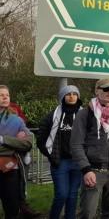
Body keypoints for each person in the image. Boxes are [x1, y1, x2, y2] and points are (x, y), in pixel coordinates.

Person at [70, 79, 109, 219]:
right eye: (106, 89)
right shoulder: (85, 114)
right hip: (94, 172)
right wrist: (86, 170)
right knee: (87, 213)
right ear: (97, 91)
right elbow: (76, 144)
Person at [38, 85, 83, 219]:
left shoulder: (84, 115)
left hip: (78, 162)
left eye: (75, 94)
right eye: (68, 94)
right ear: (62, 96)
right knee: (61, 194)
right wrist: (50, 155)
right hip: (60, 162)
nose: (71, 96)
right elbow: (41, 137)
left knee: (73, 195)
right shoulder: (52, 115)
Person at [0, 85, 33, 219]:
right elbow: (20, 144)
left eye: (7, 95)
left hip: (10, 170)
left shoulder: (17, 120)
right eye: (1, 95)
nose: (5, 97)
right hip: (9, 159)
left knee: (12, 209)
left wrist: (3, 140)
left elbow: (28, 142)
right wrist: (14, 144)